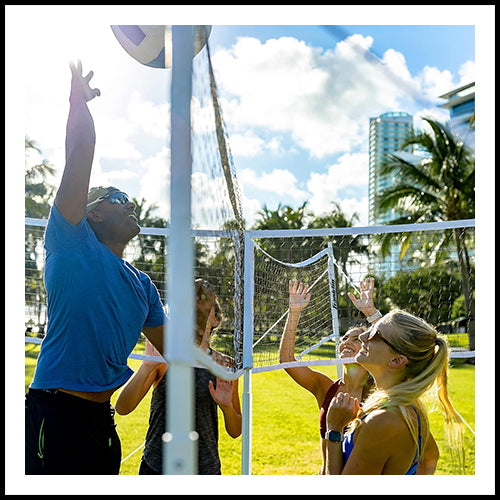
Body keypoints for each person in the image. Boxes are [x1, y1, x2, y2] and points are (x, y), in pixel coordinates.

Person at [25, 61, 169, 474]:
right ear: (93, 214)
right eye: (118, 196)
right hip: (53, 413)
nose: (130, 203)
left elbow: (174, 348)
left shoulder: (142, 286)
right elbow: (80, 154)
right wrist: (77, 102)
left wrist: (220, 353)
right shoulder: (71, 240)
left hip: (100, 422)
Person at [115, 278, 242, 475]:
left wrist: (226, 407)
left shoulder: (224, 364)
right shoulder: (164, 357)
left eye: (203, 307)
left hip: (204, 470)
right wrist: (147, 366)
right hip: (157, 468)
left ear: (215, 319)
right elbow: (122, 408)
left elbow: (236, 430)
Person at [325, 308, 463, 474]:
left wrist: (333, 430)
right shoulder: (410, 408)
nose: (362, 337)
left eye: (374, 335)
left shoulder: (383, 421)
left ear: (397, 360)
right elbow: (430, 459)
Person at [279, 278, 375, 475]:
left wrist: (372, 314)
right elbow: (287, 360)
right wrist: (295, 311)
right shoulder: (326, 387)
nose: (347, 342)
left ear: (369, 348)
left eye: (356, 339)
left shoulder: (379, 393)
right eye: (345, 338)